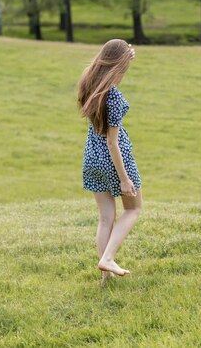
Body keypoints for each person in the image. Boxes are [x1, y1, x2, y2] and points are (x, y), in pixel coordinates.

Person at [77, 39, 143, 286]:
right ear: (119, 67)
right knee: (133, 209)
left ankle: (106, 278)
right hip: (114, 159)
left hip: (91, 158)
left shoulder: (88, 84)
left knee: (105, 218)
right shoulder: (114, 96)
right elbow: (113, 143)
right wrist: (124, 179)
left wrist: (125, 52)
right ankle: (108, 258)